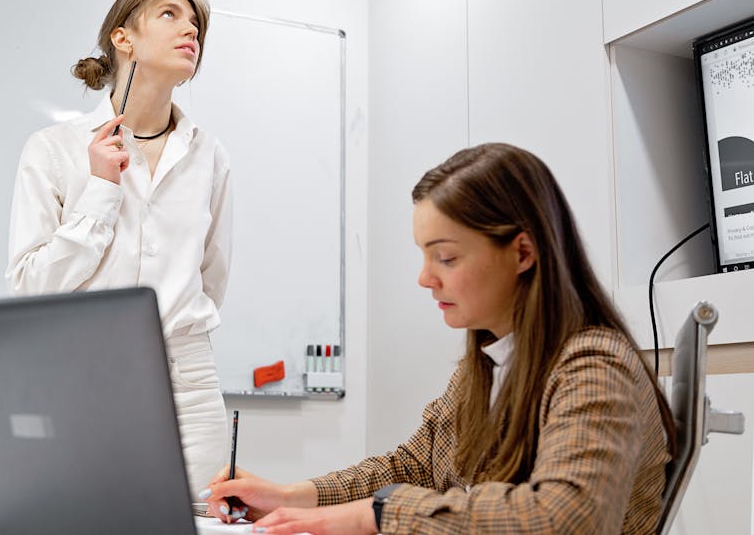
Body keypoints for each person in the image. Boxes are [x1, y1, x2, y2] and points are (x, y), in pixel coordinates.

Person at [201, 143, 674, 534]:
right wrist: (291, 497)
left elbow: (565, 517)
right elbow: (415, 465)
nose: (425, 279)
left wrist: (381, 515)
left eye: (445, 258)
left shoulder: (594, 366)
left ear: (523, 252)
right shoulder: (491, 361)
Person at [5, 0, 231, 497]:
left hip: (188, 383)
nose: (191, 30)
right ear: (122, 38)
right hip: (82, 375)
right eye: (171, 15)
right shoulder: (54, 148)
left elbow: (211, 277)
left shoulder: (209, 154)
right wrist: (101, 192)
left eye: (197, 23)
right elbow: (29, 286)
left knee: (197, 526)